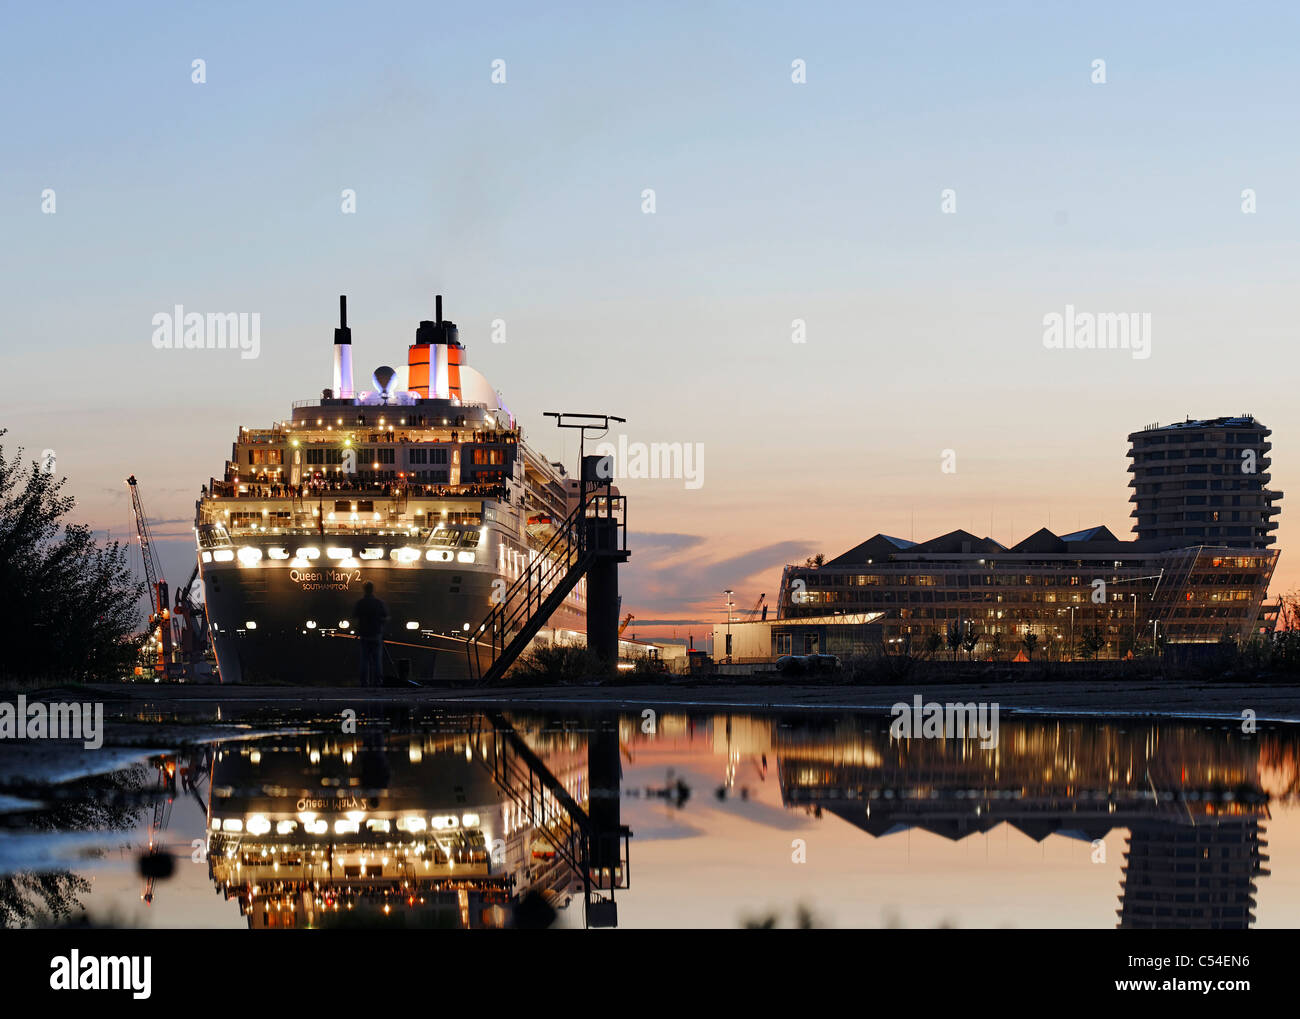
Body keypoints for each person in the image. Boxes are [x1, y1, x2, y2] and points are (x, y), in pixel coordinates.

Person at [352, 581, 388, 687]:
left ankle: (364, 682)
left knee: (364, 660)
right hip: (376, 634)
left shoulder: (360, 603)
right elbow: (385, 617)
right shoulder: (378, 603)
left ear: (364, 589)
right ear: (373, 589)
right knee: (377, 660)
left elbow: (354, 616)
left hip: (364, 634)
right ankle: (377, 681)